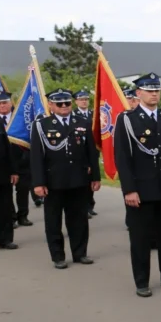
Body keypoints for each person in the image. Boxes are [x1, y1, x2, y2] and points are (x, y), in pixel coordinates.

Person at [113, 73, 161, 298]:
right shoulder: (127, 120)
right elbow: (123, 158)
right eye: (149, 90)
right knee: (140, 237)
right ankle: (142, 281)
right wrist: (129, 189)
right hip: (141, 189)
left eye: (156, 90)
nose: (154, 94)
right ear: (139, 93)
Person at [30, 89, 102, 269]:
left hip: (78, 180)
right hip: (53, 181)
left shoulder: (82, 123)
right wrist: (38, 183)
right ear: (51, 105)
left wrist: (95, 177)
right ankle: (58, 256)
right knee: (53, 221)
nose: (64, 106)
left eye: (67, 103)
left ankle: (80, 253)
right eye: (59, 103)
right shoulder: (41, 125)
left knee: (78, 219)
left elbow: (91, 153)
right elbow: (37, 157)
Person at [0, 92, 33, 227]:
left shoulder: (20, 119)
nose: (2, 106)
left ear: (10, 103)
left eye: (4, 102)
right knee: (6, 192)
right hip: (3, 163)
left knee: (23, 189)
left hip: (21, 159)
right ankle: (11, 217)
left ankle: (23, 216)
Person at [0, 94, 19, 251]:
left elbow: (7, 149)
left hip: (1, 174)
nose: (1, 105)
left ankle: (6, 239)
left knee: (5, 208)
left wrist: (13, 171)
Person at [74, 89, 98, 218]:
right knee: (83, 180)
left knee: (92, 179)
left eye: (86, 99)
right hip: (81, 151)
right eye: (81, 99)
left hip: (93, 150)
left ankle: (90, 204)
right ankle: (83, 207)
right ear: (76, 101)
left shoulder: (93, 114)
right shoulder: (73, 115)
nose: (84, 102)